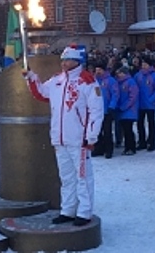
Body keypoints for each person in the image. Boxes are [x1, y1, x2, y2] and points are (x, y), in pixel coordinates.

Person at [23, 45, 104, 227]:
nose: (64, 63)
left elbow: (97, 111)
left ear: (77, 61)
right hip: (59, 139)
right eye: (63, 59)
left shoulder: (87, 82)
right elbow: (42, 94)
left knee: (82, 177)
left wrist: (91, 136)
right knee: (66, 178)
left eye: (67, 59)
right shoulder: (57, 80)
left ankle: (84, 212)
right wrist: (32, 77)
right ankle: (67, 210)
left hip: (79, 140)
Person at [134, 58, 155, 151]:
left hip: (150, 103)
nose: (143, 66)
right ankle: (142, 141)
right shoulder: (138, 76)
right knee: (140, 123)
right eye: (142, 65)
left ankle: (152, 141)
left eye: (145, 65)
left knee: (151, 122)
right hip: (140, 103)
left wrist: (152, 99)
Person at [92, 62, 119, 159]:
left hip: (107, 109)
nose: (98, 72)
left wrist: (112, 106)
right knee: (97, 131)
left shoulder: (111, 81)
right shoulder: (94, 81)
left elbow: (115, 94)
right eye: (96, 70)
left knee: (107, 131)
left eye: (99, 70)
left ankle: (109, 150)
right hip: (96, 110)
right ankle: (99, 148)